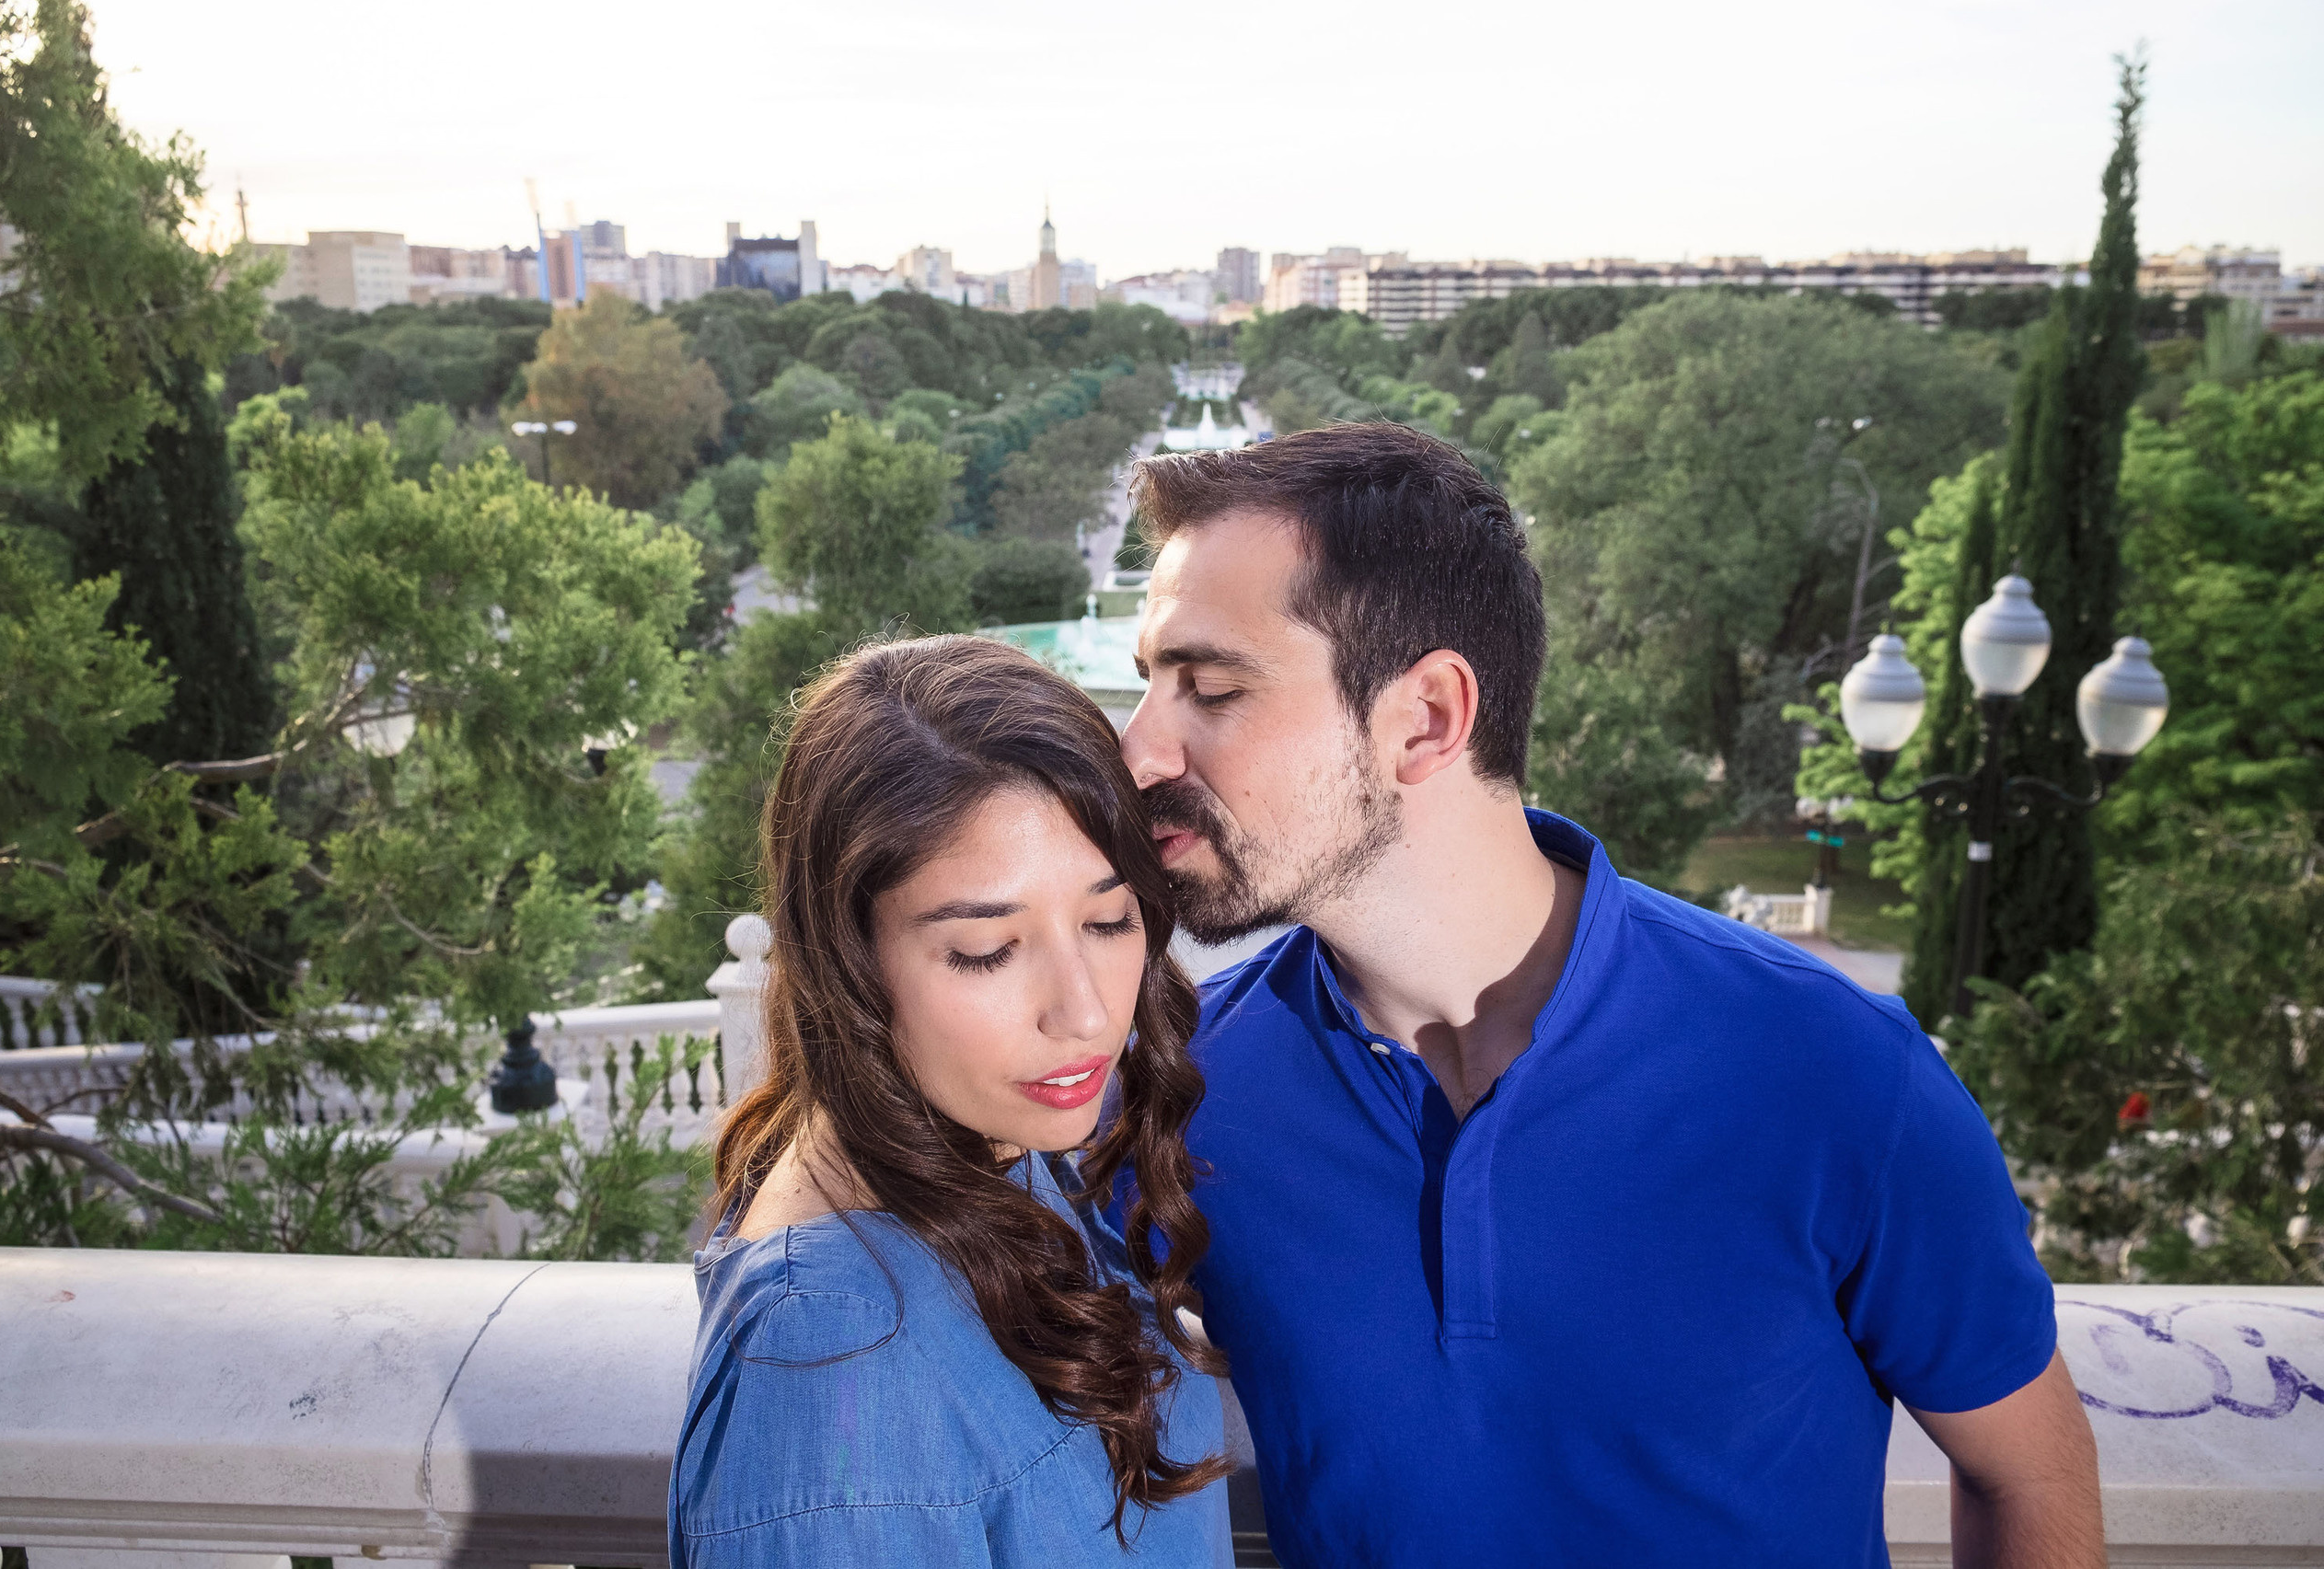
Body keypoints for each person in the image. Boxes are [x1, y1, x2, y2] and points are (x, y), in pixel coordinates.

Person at [1117, 422, 2105, 1567]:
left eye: (1211, 688)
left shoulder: (1826, 1069)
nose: (1139, 749)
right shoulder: (1181, 1088)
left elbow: (2025, 1469)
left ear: (1426, 718)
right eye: (1149, 685)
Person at [671, 637, 1234, 1568]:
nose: (1087, 1013)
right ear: (844, 959)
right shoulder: (834, 1360)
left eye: (1108, 920)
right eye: (984, 951)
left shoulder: (989, 1145)